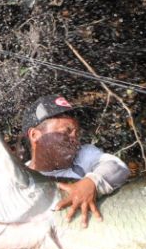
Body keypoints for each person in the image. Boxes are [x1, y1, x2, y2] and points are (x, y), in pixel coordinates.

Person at [22, 94, 130, 226]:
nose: (75, 140)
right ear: (35, 135)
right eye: (66, 131)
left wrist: (92, 182)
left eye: (76, 133)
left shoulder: (84, 154)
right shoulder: (21, 179)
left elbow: (119, 166)